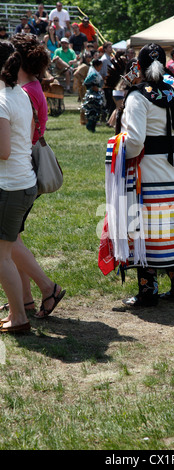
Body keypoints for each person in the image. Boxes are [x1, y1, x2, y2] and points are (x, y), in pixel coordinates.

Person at [104, 43, 174, 307]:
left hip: (146, 174)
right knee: (170, 229)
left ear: (138, 68)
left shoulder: (137, 97)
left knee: (144, 230)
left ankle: (148, 291)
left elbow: (137, 141)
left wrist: (117, 152)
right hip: (172, 168)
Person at [5, 33, 66, 321]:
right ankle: (25, 300)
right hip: (23, 171)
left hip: (19, 174)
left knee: (10, 242)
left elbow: (22, 138)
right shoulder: (31, 86)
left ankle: (47, 288)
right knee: (12, 240)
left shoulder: (24, 91)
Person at [0, 41, 37, 333]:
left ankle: (19, 318)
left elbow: (3, 150)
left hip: (9, 187)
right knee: (8, 250)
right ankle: (23, 307)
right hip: (22, 183)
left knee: (1, 256)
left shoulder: (2, 100)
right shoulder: (20, 94)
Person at [82, 58, 105, 132]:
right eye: (100, 66)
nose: (101, 68)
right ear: (96, 66)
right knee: (92, 111)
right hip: (93, 95)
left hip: (97, 94)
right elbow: (85, 83)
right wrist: (92, 87)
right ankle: (90, 126)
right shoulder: (93, 73)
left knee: (96, 111)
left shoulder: (95, 73)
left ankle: (92, 126)